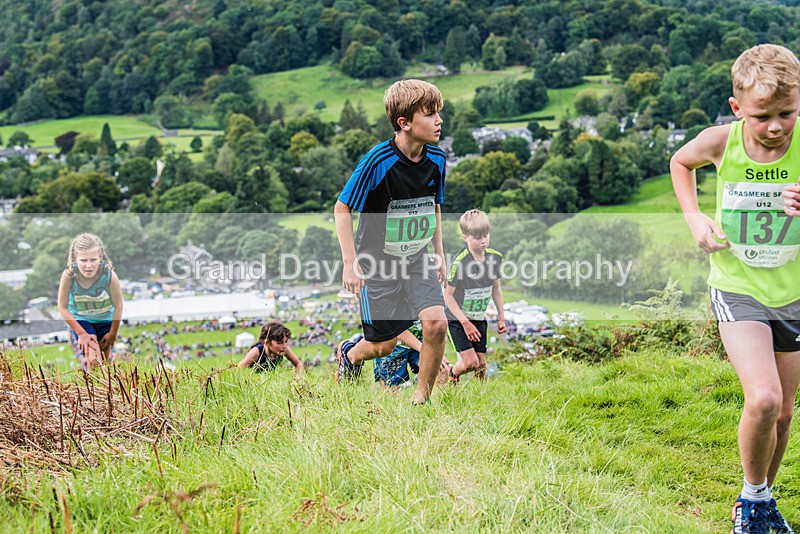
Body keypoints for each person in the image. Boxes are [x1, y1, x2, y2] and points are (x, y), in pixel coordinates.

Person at [671, 44, 800, 534]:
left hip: (794, 292)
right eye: (763, 115)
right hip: (737, 284)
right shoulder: (720, 142)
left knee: (785, 415)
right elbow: (680, 164)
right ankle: (753, 500)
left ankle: (763, 498)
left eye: (787, 113)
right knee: (764, 399)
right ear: (737, 107)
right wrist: (694, 216)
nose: (775, 126)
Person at [334, 78, 448, 405]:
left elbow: (433, 204)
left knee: (436, 325)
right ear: (405, 123)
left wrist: (439, 253)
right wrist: (350, 263)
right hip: (377, 264)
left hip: (418, 259)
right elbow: (342, 207)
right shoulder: (377, 161)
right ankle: (350, 355)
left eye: (439, 112)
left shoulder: (437, 160)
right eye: (430, 113)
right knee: (383, 346)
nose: (439, 120)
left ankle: (421, 400)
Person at [443, 209, 506, 383]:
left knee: (481, 365)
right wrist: (465, 323)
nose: (483, 241)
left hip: (478, 317)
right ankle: (453, 373)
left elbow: (496, 289)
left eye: (486, 235)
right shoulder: (460, 262)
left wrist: (502, 317)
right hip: (458, 319)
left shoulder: (495, 258)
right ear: (466, 238)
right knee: (471, 363)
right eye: (478, 237)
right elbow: (447, 296)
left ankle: (482, 395)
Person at [57, 233, 123, 371]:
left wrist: (113, 333)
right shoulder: (69, 276)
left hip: (105, 319)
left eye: (93, 260)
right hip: (82, 320)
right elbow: (62, 307)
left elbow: (118, 305)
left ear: (101, 258)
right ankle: (94, 389)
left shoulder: (109, 275)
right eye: (83, 260)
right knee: (93, 358)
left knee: (104, 358)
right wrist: (81, 334)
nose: (88, 265)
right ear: (75, 260)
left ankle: (107, 388)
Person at [373, 321, 451, 387]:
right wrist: (429, 352)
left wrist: (436, 353)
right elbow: (397, 328)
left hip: (419, 340)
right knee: (393, 391)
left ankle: (431, 399)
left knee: (441, 368)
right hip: (392, 346)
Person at [237, 320, 304, 375]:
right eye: (279, 343)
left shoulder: (284, 349)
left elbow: (298, 363)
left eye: (286, 341)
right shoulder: (257, 351)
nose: (284, 346)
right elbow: (238, 370)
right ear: (267, 342)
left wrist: (298, 378)